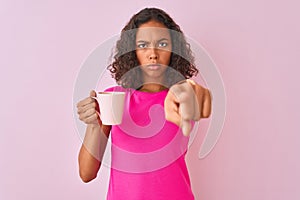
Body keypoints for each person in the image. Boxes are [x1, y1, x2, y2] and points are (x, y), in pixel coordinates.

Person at [76, 7, 211, 200]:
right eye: (143, 45)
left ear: (174, 50)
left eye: (162, 44)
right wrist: (93, 125)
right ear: (132, 51)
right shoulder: (113, 99)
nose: (153, 53)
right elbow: (86, 174)